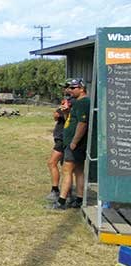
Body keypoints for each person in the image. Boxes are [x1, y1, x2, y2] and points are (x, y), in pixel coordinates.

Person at [50, 78, 90, 210]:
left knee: (67, 170)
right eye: (70, 88)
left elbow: (82, 124)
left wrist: (74, 142)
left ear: (81, 88)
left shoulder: (83, 103)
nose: (70, 90)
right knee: (78, 171)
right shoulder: (76, 103)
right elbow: (70, 120)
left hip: (75, 144)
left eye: (73, 88)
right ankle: (79, 199)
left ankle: (61, 201)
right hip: (71, 142)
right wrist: (66, 112)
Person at [47, 97, 71, 200]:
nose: (67, 89)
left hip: (63, 138)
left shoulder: (72, 103)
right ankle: (66, 191)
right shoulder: (65, 101)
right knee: (64, 166)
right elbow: (56, 116)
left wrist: (64, 111)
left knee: (52, 163)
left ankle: (56, 190)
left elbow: (68, 119)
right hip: (59, 138)